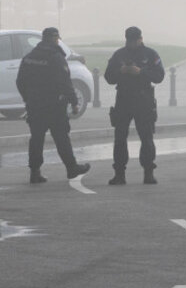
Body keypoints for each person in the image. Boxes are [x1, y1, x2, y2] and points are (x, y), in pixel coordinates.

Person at [15, 27, 91, 183]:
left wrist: (27, 99)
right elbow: (65, 82)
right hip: (54, 106)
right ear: (55, 39)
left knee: (36, 139)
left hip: (35, 105)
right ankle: (72, 168)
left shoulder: (29, 57)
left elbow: (20, 81)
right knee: (62, 137)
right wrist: (74, 102)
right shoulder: (56, 57)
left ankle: (35, 172)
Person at [104, 26, 165, 185]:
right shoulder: (119, 55)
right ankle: (119, 173)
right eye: (129, 40)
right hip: (123, 99)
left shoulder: (150, 54)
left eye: (134, 40)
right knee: (120, 138)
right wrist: (122, 70)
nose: (131, 43)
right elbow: (109, 77)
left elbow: (159, 76)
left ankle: (148, 172)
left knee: (146, 137)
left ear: (140, 39)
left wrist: (141, 72)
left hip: (143, 99)